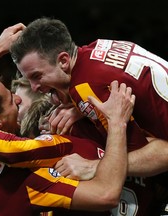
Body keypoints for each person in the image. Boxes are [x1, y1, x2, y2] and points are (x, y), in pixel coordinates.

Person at [0, 67, 134, 214]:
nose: (17, 100)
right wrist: (116, 121)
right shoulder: (25, 178)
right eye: (11, 100)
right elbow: (106, 194)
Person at [9, 17, 168, 177]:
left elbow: (150, 154)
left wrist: (93, 166)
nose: (34, 87)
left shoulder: (87, 89)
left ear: (63, 61)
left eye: (37, 76)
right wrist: (82, 108)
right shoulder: (99, 46)